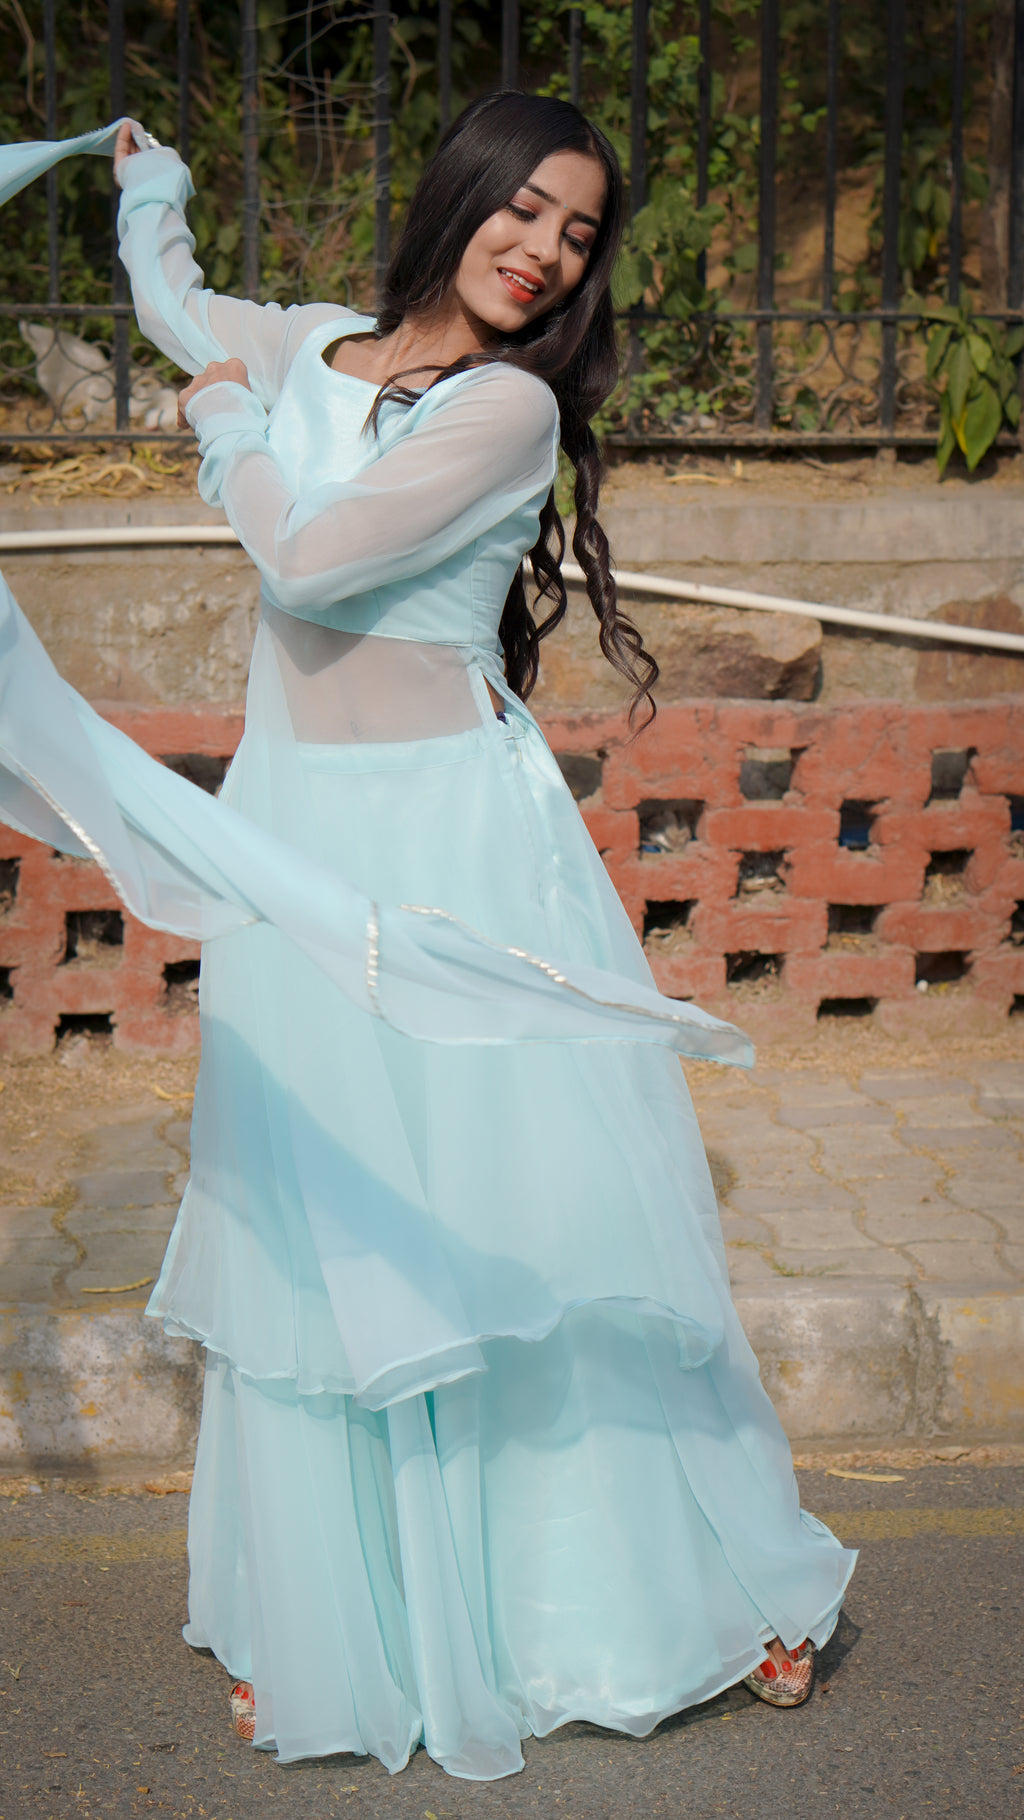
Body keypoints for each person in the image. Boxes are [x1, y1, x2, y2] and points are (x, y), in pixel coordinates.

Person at [0, 94, 854, 1780]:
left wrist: (226, 427)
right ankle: (324, 1615)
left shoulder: (509, 411)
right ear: (460, 197)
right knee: (325, 1215)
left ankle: (676, 1588)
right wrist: (149, 201)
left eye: (577, 233)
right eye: (522, 210)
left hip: (456, 849)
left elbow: (308, 569)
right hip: (291, 833)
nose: (541, 250)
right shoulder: (317, 339)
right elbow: (182, 310)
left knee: (513, 1216)